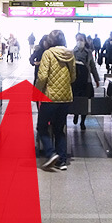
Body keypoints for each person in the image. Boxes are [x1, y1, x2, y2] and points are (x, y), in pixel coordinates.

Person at [36, 30, 76, 171]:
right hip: (65, 97)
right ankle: (62, 161)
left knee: (42, 127)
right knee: (59, 129)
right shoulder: (70, 54)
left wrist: (38, 91)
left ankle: (51, 153)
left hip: (50, 97)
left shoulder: (48, 54)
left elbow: (42, 77)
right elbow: (73, 77)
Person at [72, 33, 100, 130]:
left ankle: (82, 121)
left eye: (81, 40)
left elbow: (92, 67)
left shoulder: (88, 53)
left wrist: (96, 79)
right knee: (76, 100)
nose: (79, 42)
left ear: (84, 41)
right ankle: (76, 113)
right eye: (78, 39)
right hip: (75, 81)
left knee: (84, 101)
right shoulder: (72, 52)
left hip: (86, 81)